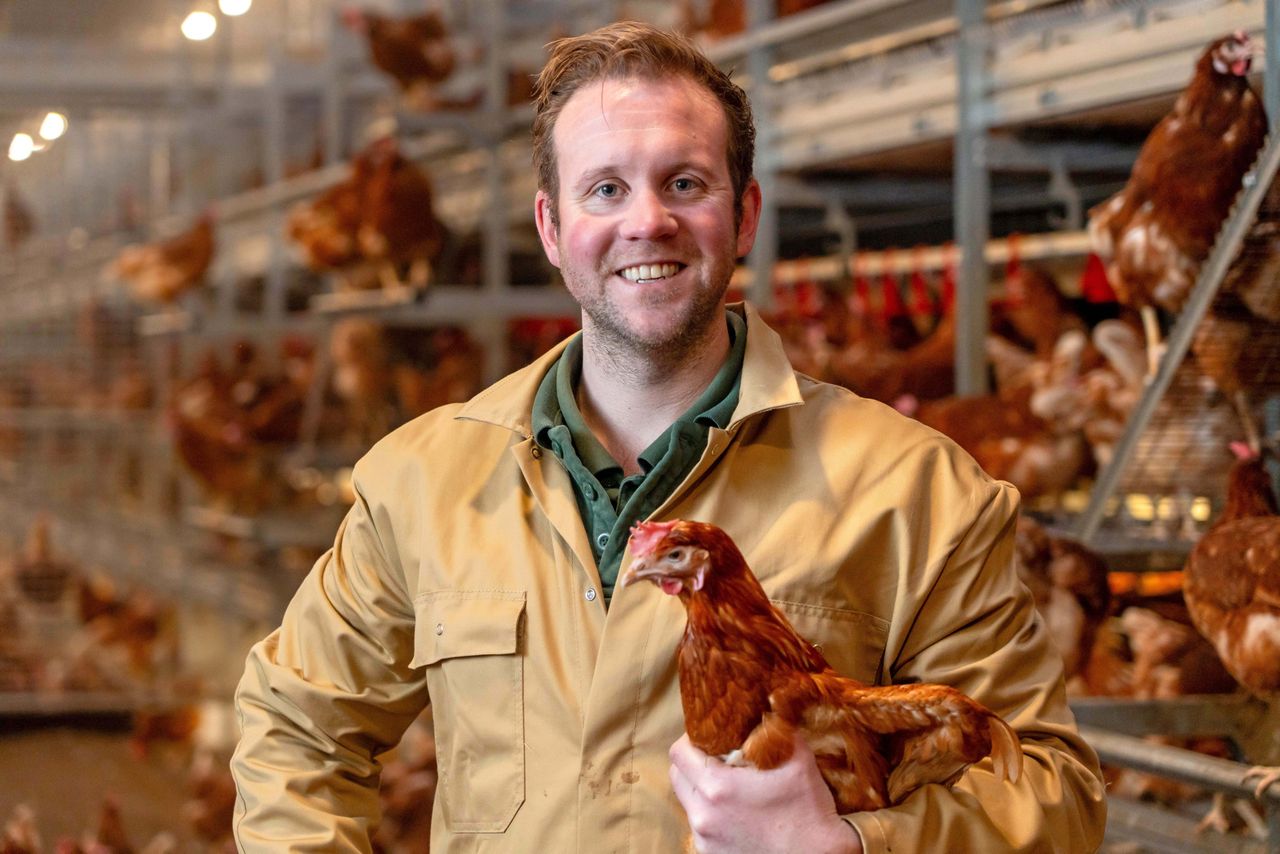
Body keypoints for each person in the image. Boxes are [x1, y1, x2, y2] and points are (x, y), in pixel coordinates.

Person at [231, 21, 1107, 853]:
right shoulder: (423, 478)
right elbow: (296, 726)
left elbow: (1052, 795)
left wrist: (850, 843)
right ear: (551, 228)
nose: (646, 221)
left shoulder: (915, 488)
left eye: (685, 183)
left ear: (747, 214)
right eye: (605, 188)